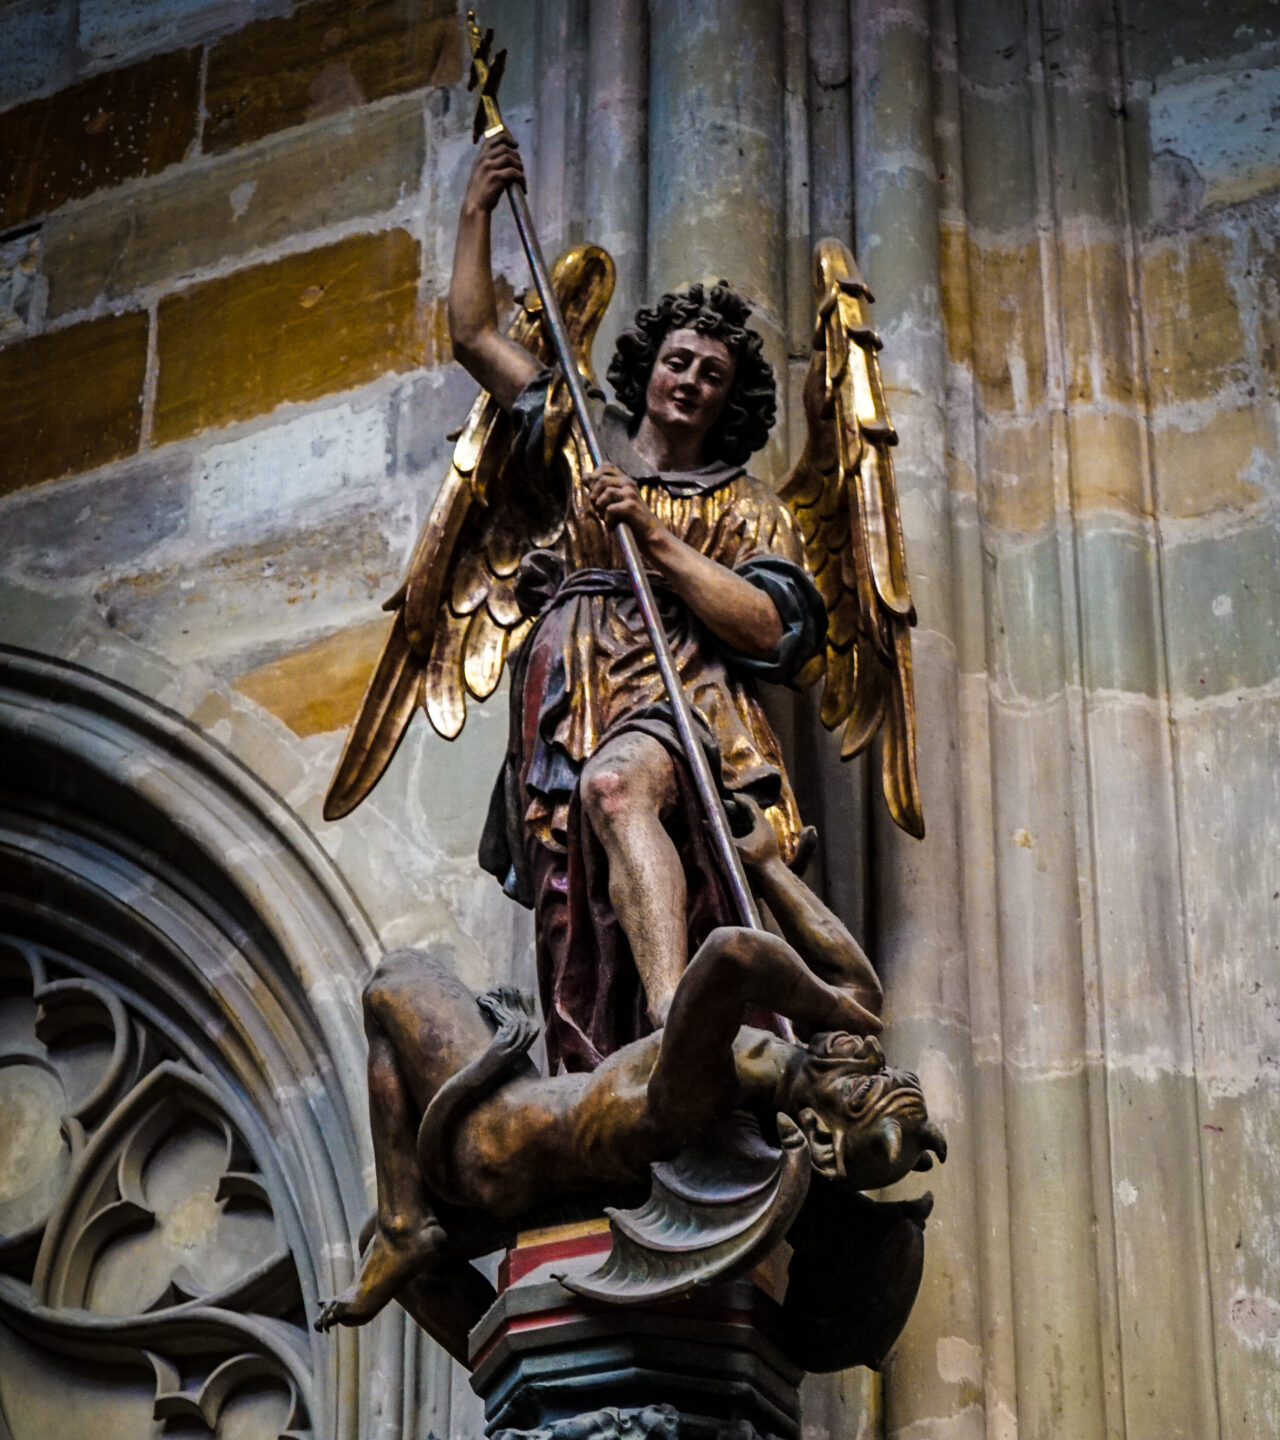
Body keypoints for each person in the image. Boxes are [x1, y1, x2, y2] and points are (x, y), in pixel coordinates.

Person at [450, 131, 834, 1070]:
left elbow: (773, 628)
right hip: (565, 691)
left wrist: (656, 540)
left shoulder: (745, 504)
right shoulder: (586, 432)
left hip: (683, 695)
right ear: (649, 366)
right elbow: (471, 337)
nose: (692, 379)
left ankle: (677, 1021)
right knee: (572, 903)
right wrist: (475, 210)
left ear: (729, 401)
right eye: (679, 360)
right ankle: (603, 1069)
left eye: (714, 373)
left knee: (618, 790)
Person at [313, 804, 944, 1358]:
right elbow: (854, 982)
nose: (865, 1055)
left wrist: (836, 1011)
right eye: (882, 1069)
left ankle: (406, 1229)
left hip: (491, 1140)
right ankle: (467, 1321)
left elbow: (732, 954)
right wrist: (770, 866)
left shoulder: (702, 1093)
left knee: (394, 979)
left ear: (823, 1135)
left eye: (862, 1088)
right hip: (524, 1153)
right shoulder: (761, 1084)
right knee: (406, 1258)